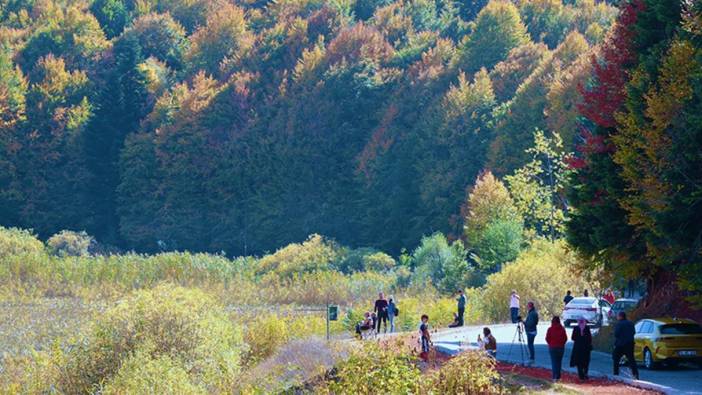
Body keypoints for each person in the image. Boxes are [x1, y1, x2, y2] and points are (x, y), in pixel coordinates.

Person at [613, 312, 639, 380]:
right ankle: (635, 374)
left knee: (616, 359)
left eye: (618, 316)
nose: (617, 317)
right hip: (630, 344)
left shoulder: (619, 324)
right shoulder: (631, 323)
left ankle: (616, 374)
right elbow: (634, 332)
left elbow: (616, 334)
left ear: (620, 317)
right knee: (631, 359)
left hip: (620, 345)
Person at [546, 316, 567, 381]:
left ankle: (554, 376)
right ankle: (558, 376)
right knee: (559, 362)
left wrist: (550, 343)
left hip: (552, 347)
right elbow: (565, 338)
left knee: (554, 362)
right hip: (560, 347)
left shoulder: (550, 329)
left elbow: (547, 338)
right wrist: (562, 344)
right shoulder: (562, 329)